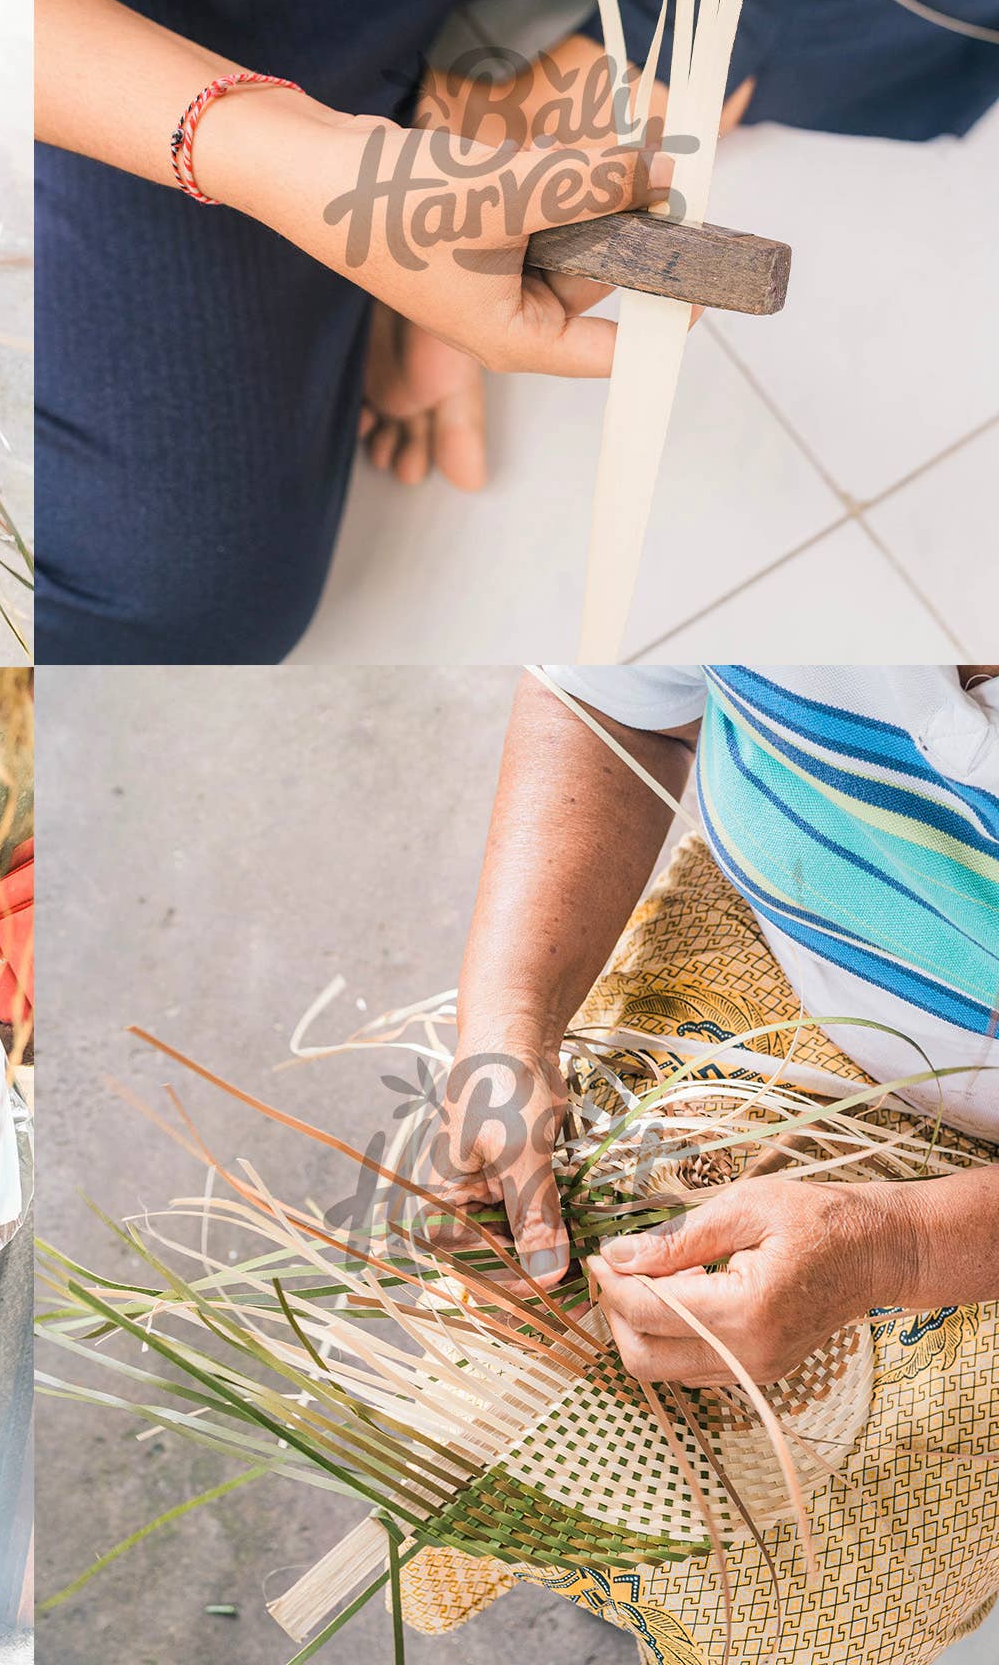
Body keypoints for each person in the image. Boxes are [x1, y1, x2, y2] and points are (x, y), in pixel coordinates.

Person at [36, 0, 999, 663]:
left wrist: (618, 87)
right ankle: (465, 139)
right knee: (169, 599)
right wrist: (293, 161)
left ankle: (515, 117)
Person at [417, 663, 999, 1660]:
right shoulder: (734, 512)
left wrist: (899, 1247)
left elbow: (898, 1250)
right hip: (784, 939)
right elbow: (608, 700)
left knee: (803, 1595)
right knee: (483, 1383)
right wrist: (506, 1021)